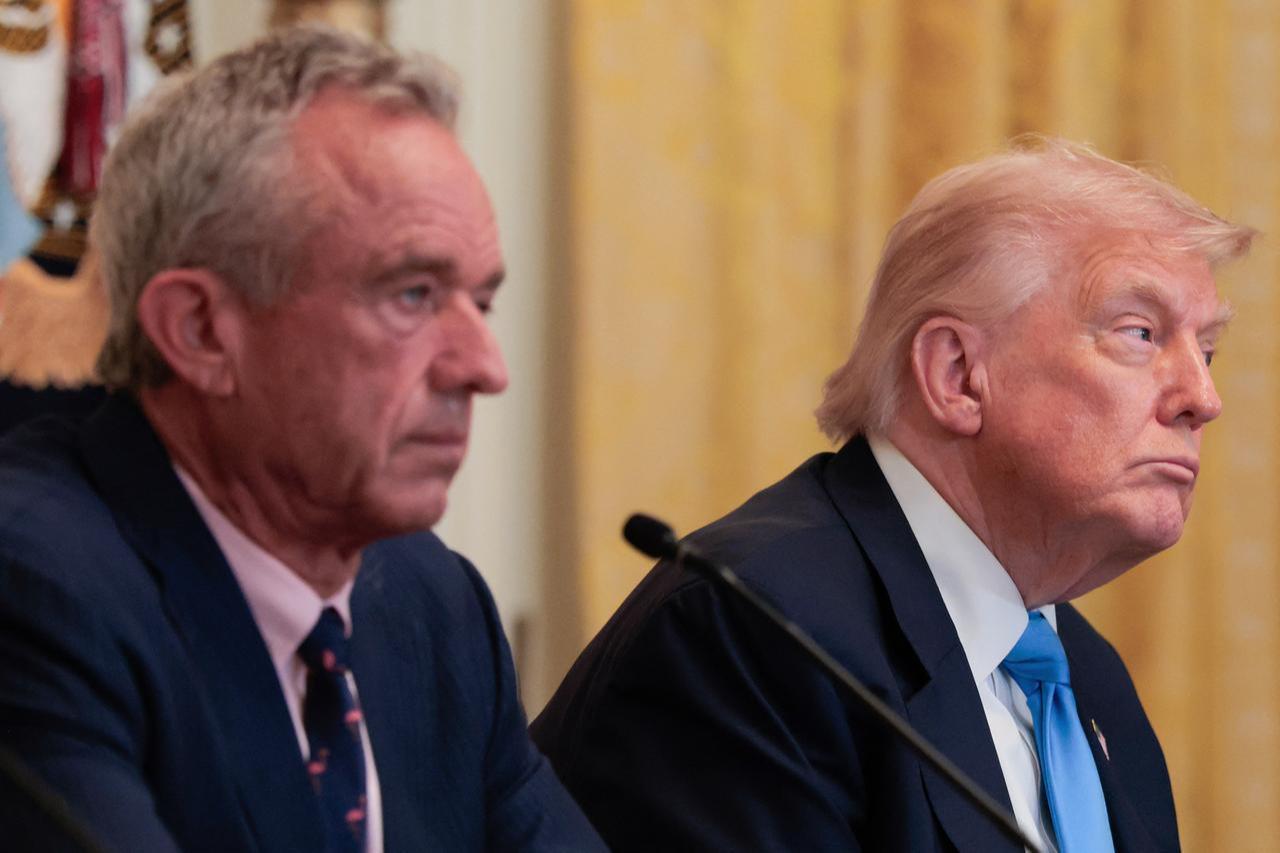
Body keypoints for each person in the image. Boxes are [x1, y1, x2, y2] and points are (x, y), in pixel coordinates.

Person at [531, 138, 1255, 852]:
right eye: (1140, 332)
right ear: (958, 374)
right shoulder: (758, 633)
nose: (1203, 397)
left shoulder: (1086, 679)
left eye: (1207, 350)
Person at [0, 25, 603, 852]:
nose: (484, 366)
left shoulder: (432, 602)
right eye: (413, 294)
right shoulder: (35, 590)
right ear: (204, 330)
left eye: (482, 303)